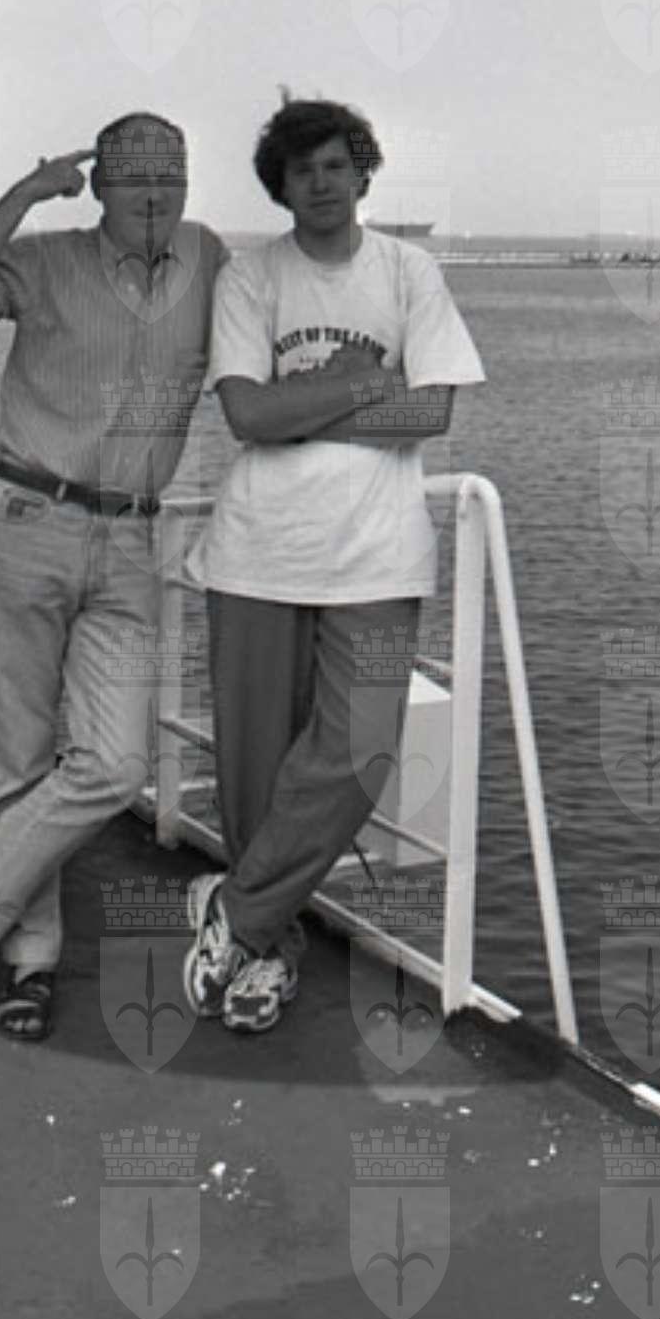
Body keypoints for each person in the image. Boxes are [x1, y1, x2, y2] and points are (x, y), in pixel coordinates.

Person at [0, 114, 225, 1039]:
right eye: (134, 175)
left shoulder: (209, 260)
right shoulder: (46, 260)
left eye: (171, 172)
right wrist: (22, 193)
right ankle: (31, 962)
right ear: (98, 186)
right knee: (19, 755)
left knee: (116, 764)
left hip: (132, 541)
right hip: (29, 523)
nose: (155, 192)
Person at [181, 98, 485, 1033]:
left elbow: (431, 412)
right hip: (257, 555)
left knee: (363, 748)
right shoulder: (251, 277)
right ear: (280, 185)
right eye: (302, 169)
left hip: (379, 559)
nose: (320, 183)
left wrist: (300, 407)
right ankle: (268, 956)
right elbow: (247, 417)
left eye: (336, 166)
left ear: (363, 173)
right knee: (256, 769)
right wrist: (362, 384)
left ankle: (237, 913)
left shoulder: (408, 272)